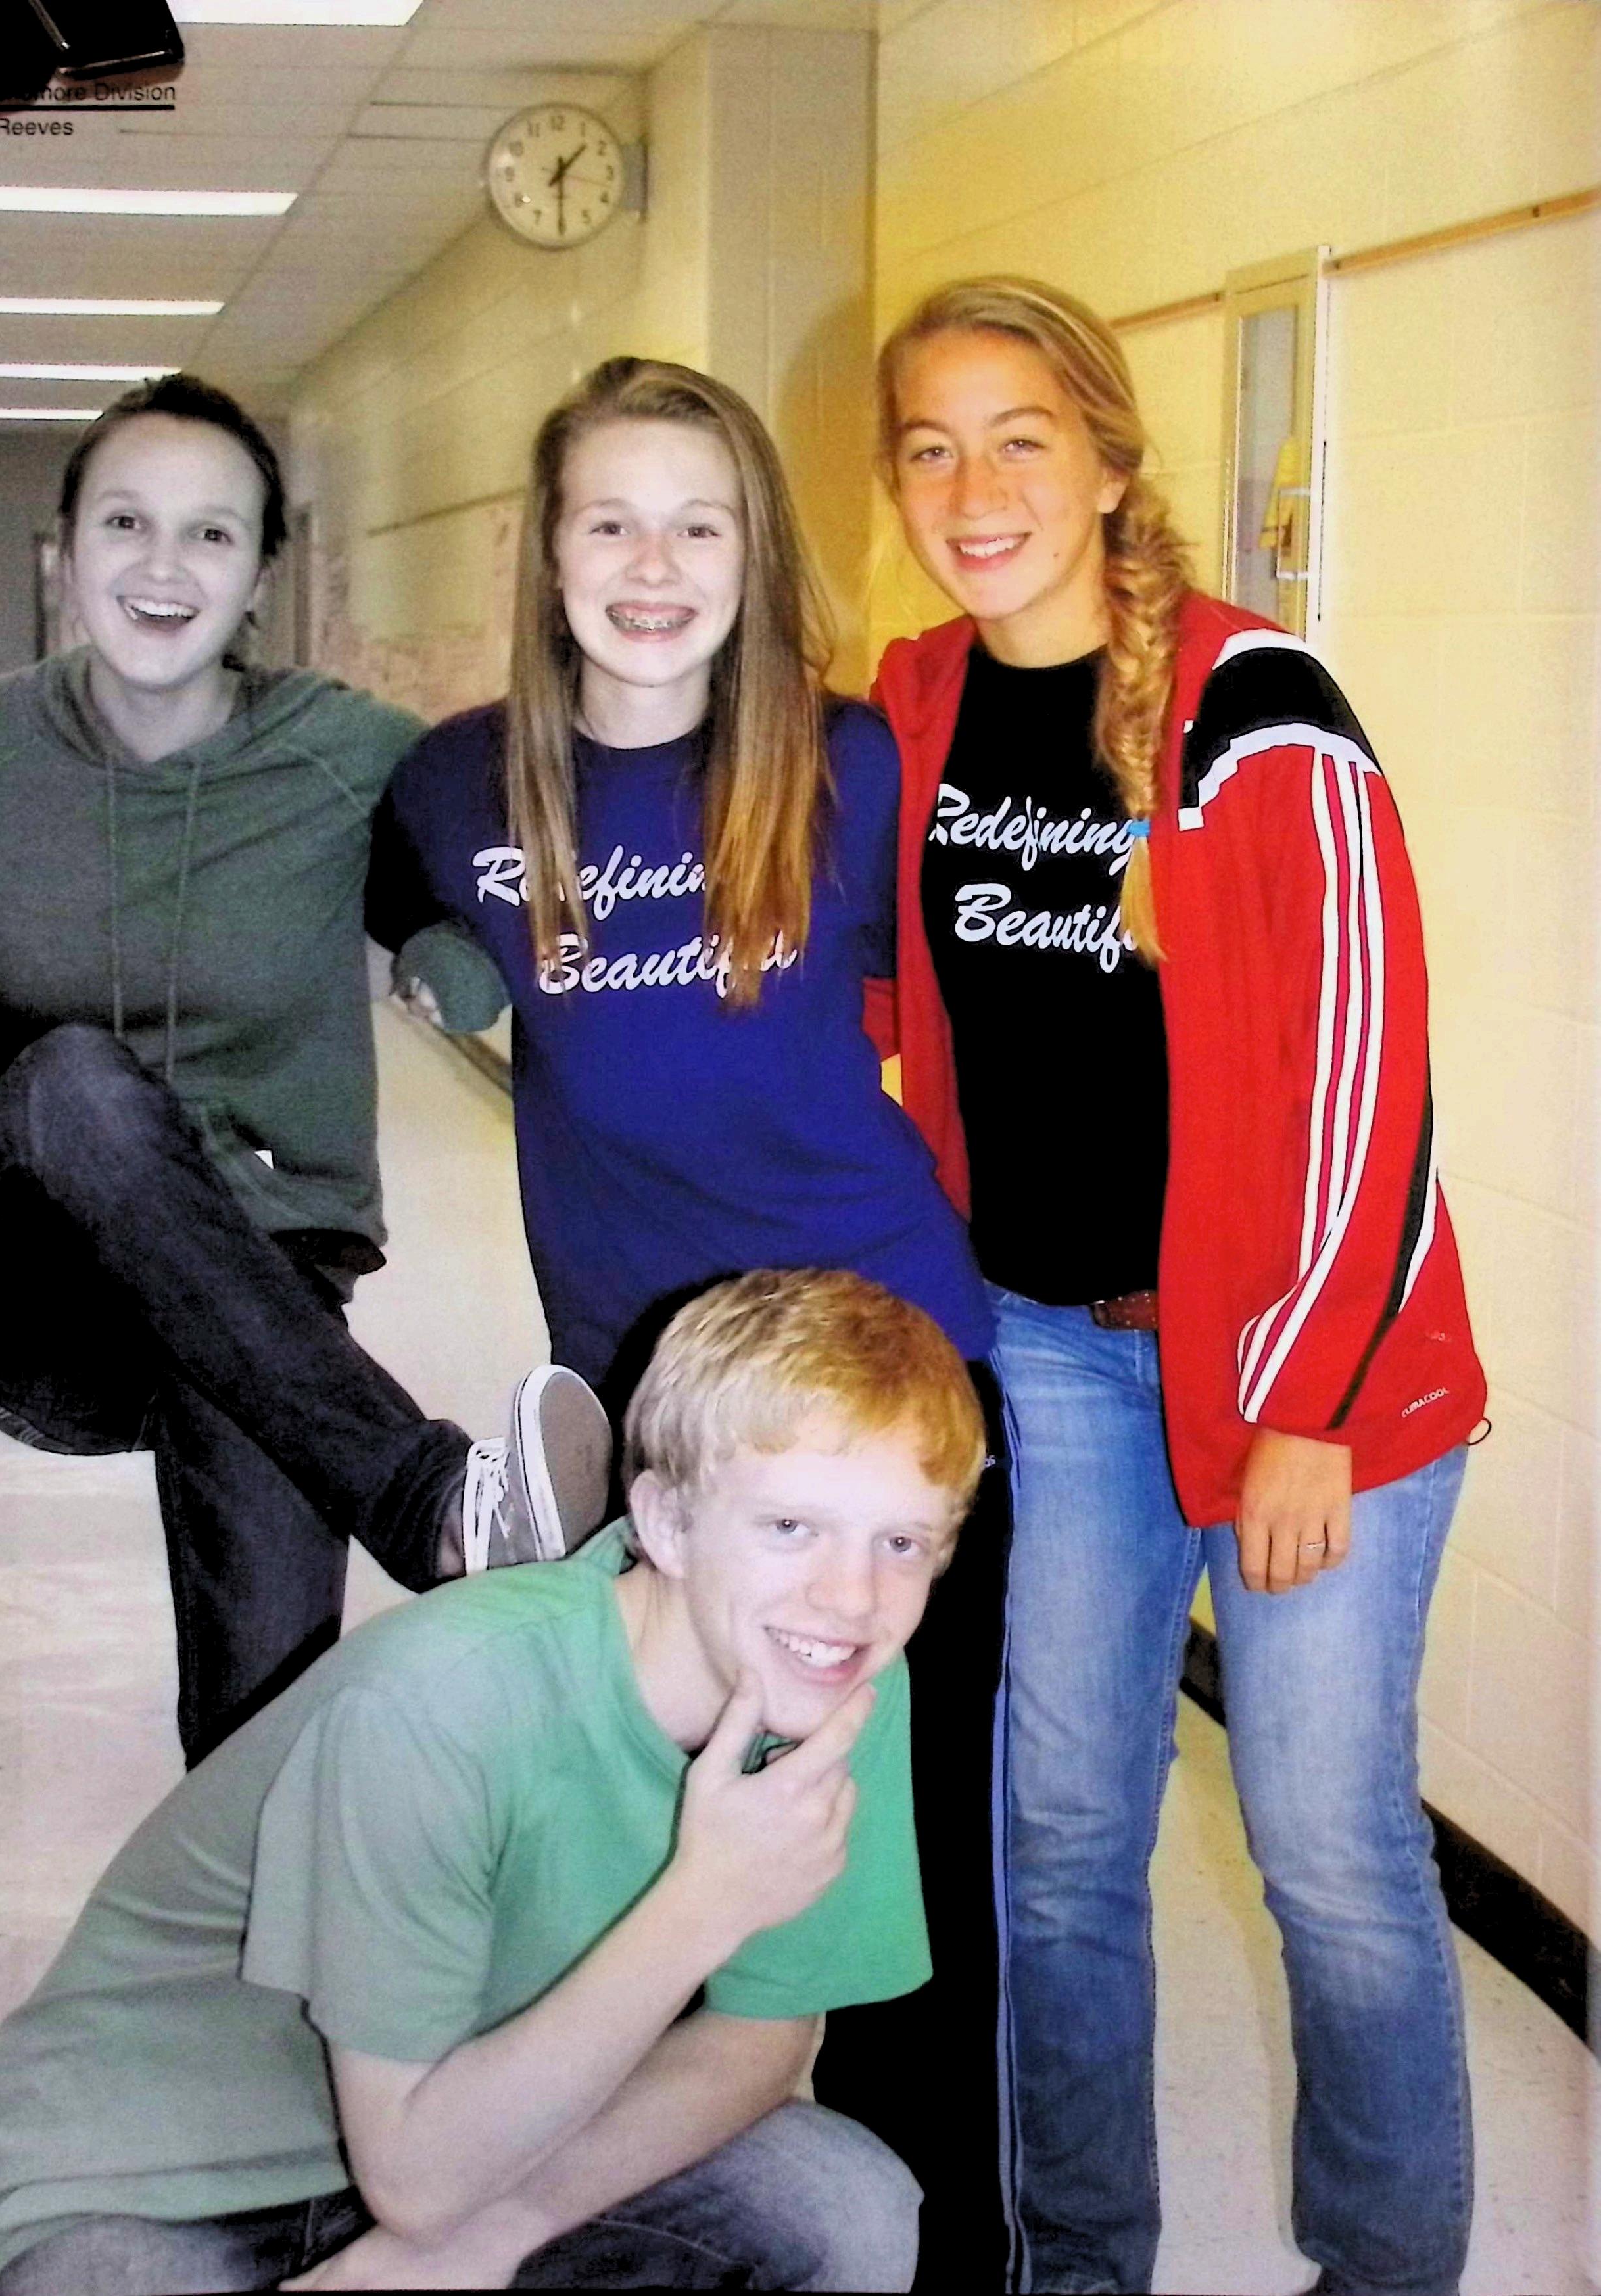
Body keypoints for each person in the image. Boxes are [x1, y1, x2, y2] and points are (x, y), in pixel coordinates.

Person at [868, 275, 1488, 2296]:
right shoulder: (915, 703)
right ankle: (1077, 2263)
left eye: (1018, 438)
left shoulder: (1256, 706)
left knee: (1323, 1848)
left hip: (1315, 1372)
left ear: (1107, 459)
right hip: (1052, 1353)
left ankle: (1382, 2271)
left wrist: (1302, 1405)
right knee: (1055, 1838)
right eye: (929, 447)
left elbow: (1367, 1072)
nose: (972, 488)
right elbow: (874, 989)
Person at [366, 356, 1014, 2279]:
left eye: (697, 525)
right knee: (648, 1825)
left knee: (898, 1859)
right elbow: (385, 912)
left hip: (886, 1373)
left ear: (755, 552)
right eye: (610, 522)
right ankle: (653, 2215)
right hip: (651, 1408)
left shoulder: (850, 765)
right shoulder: (454, 782)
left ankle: (939, 2246)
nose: (652, 567)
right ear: (546, 549)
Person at [0, 373, 610, 1768]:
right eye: (126, 522)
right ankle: (428, 1497)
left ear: (259, 576)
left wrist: (457, 959)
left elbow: (454, 906)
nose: (164, 566)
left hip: (269, 1264)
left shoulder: (351, 755)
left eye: (211, 534)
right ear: (67, 552)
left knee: (266, 1723)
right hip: (42, 1281)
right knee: (74, 1076)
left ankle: (250, 1887)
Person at [0, 1268, 984, 2296]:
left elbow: (765, 2032)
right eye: (790, 1527)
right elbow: (416, 2180)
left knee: (842, 2206)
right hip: (161, 2179)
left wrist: (503, 2231)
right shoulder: (442, 1698)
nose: (850, 1596)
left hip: (484, 2143)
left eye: (901, 1542)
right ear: (665, 1523)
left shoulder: (829, 1676)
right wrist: (704, 1902)